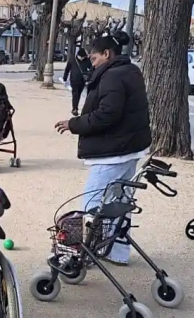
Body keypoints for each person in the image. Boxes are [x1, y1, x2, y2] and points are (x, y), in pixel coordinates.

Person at [54, 31, 151, 266]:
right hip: (129, 147)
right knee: (119, 203)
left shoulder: (112, 76)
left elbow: (107, 114)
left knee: (92, 204)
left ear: (107, 54)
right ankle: (117, 252)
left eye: (94, 58)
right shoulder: (130, 70)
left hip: (114, 151)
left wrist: (74, 124)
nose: (92, 62)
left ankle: (87, 255)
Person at [63, 47, 93, 116]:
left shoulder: (87, 60)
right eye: (81, 57)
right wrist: (65, 78)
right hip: (74, 80)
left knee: (78, 94)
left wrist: (88, 75)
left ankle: (76, 107)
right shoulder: (72, 60)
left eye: (83, 57)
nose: (82, 58)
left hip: (82, 81)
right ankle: (74, 108)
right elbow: (67, 69)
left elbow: (91, 69)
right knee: (75, 94)